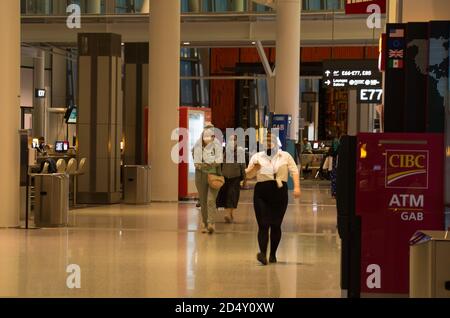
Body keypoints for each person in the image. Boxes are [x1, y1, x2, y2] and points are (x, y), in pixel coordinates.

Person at [246, 131, 301, 265]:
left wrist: (297, 187)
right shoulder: (257, 157)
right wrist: (254, 168)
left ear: (276, 143)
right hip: (261, 193)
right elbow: (248, 175)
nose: (268, 143)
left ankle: (273, 254)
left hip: (279, 192)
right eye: (266, 141)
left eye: (271, 141)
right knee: (263, 224)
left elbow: (294, 170)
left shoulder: (285, 155)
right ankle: (263, 254)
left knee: (276, 225)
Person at [193, 123, 223, 234]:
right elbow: (196, 162)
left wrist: (210, 164)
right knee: (203, 201)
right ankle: (205, 223)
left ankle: (211, 223)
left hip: (214, 176)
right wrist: (203, 164)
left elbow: (219, 159)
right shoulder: (197, 145)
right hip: (200, 177)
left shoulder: (217, 144)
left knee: (210, 200)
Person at [216, 135, 246, 223]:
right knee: (227, 195)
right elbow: (222, 162)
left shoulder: (240, 150)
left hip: (235, 177)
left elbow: (242, 164)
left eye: (234, 140)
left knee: (232, 195)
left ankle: (228, 214)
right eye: (230, 139)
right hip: (225, 176)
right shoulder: (225, 149)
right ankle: (229, 214)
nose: (232, 141)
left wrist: (245, 178)